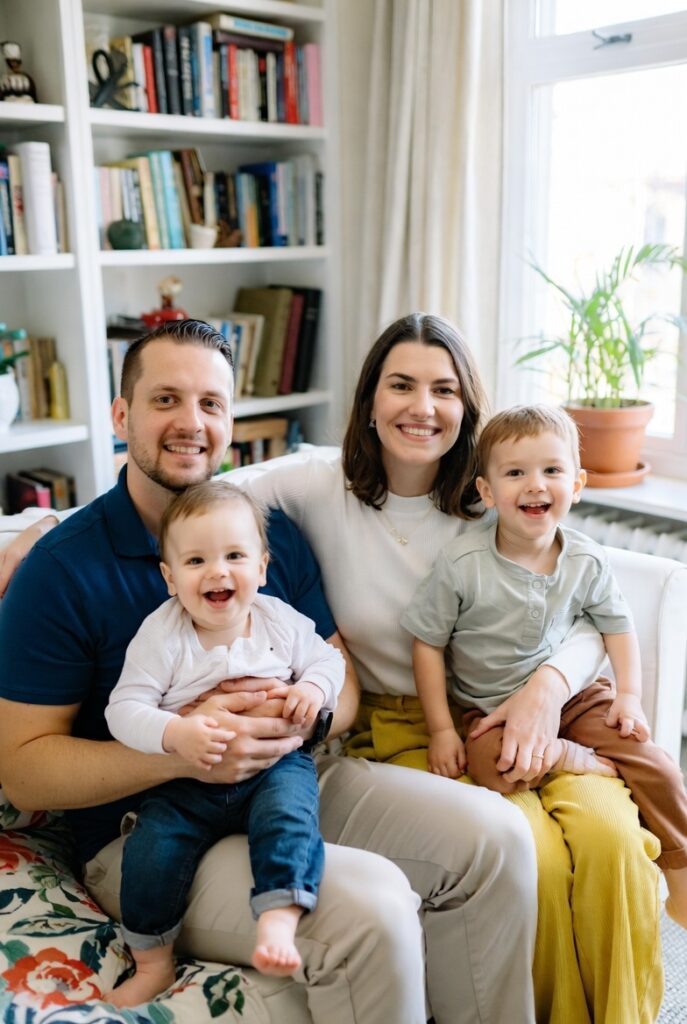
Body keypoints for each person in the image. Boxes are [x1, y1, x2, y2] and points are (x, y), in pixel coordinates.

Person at [0, 317, 539, 1024]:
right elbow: (23, 769)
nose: (190, 423)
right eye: (165, 400)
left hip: (290, 775)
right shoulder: (65, 568)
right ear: (121, 414)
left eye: (211, 404)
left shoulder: (269, 534)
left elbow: (338, 679)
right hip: (147, 829)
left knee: (495, 836)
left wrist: (303, 712)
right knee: (371, 906)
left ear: (230, 420)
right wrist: (181, 751)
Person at [233, 313, 665, 1024]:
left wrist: (545, 687)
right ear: (370, 398)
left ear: (466, 406)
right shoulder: (317, 483)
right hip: (410, 730)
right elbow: (193, 489)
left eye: (443, 389)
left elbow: (589, 607)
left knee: (611, 838)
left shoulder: (495, 491)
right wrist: (40, 527)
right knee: (535, 855)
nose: (422, 407)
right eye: (400, 384)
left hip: (520, 707)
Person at [402, 403, 687, 929]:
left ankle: (681, 873)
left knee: (660, 765)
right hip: (489, 708)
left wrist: (627, 696)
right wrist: (442, 728)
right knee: (491, 767)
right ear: (488, 492)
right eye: (515, 473)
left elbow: (616, 629)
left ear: (576, 483)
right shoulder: (463, 565)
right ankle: (571, 759)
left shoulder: (587, 558)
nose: (536, 485)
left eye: (551, 471)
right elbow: (426, 644)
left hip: (577, 699)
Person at [104, 480, 345, 1006]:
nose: (217, 571)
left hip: (275, 768)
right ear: (170, 578)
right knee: (151, 846)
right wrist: (174, 734)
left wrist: (311, 688)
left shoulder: (277, 619)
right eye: (195, 561)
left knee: (290, 816)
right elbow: (122, 710)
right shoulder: (162, 635)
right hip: (189, 777)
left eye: (235, 555)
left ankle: (279, 918)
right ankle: (152, 962)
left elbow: (330, 660)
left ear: (262, 566)